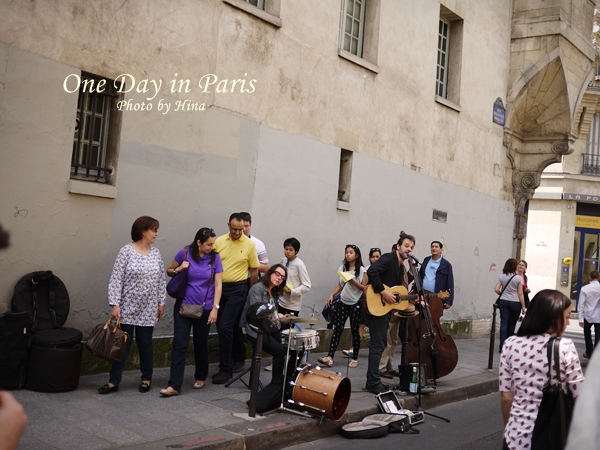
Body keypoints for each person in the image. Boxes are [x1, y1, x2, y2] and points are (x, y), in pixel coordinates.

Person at [499, 289, 584, 450]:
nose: (568, 323)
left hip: (516, 438)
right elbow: (580, 396)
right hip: (554, 437)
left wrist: (507, 427)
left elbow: (506, 397)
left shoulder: (510, 344)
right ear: (552, 318)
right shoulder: (564, 347)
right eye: (566, 317)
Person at [99, 216, 166, 394]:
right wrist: (115, 304)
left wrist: (161, 302)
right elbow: (116, 279)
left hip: (148, 307)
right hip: (127, 307)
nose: (156, 234)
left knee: (145, 343)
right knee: (122, 344)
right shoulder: (126, 252)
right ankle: (114, 381)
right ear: (143, 231)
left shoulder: (156, 253)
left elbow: (160, 280)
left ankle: (146, 379)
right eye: (154, 230)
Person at [160, 228, 223, 396]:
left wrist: (215, 309)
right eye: (208, 244)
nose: (211, 246)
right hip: (183, 306)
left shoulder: (215, 258)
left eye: (213, 243)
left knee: (200, 342)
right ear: (199, 242)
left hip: (206, 307)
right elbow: (169, 270)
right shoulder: (185, 253)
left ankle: (201, 376)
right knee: (179, 343)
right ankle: (174, 385)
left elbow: (218, 285)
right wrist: (179, 269)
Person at [365, 231, 415, 394]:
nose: (409, 249)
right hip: (376, 305)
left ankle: (373, 381)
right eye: (406, 246)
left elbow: (396, 291)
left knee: (379, 344)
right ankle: (373, 383)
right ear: (398, 246)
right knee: (377, 344)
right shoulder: (388, 258)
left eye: (412, 247)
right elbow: (372, 271)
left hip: (384, 309)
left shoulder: (400, 267)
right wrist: (383, 292)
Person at [213, 213, 259, 384]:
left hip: (238, 288)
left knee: (226, 325)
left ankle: (226, 368)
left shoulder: (249, 244)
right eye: (234, 229)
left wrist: (250, 291)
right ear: (228, 226)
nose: (238, 233)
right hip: (219, 288)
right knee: (222, 325)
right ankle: (233, 359)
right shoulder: (219, 241)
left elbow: (254, 270)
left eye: (241, 229)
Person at [240, 264, 293, 385]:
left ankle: (288, 379)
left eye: (283, 277)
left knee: (289, 346)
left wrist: (279, 316)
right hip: (254, 329)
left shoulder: (273, 292)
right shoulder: (257, 289)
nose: (279, 278)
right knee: (279, 351)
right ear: (270, 273)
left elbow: (270, 311)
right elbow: (256, 313)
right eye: (277, 274)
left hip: (267, 329)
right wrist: (275, 316)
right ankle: (277, 382)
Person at [232, 212, 270, 373]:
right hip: (234, 283)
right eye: (242, 226)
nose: (244, 229)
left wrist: (250, 263)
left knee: (252, 319)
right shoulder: (230, 242)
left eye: (247, 226)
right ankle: (237, 357)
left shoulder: (257, 244)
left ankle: (256, 355)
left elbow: (266, 267)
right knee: (233, 322)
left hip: (250, 283)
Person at [319, 245, 368, 369]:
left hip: (355, 303)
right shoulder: (343, 268)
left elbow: (364, 288)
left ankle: (355, 357)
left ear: (356, 255)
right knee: (338, 329)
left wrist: (352, 281)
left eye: (351, 252)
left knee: (355, 331)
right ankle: (330, 357)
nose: (348, 255)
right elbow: (340, 285)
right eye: (346, 252)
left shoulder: (361, 270)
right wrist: (332, 295)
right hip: (343, 301)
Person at [343, 247, 380, 358]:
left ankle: (377, 349)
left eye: (377, 256)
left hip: (378, 302)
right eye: (373, 257)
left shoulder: (383, 269)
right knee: (361, 324)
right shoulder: (366, 269)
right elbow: (364, 286)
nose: (375, 259)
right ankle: (354, 348)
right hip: (365, 300)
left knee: (376, 326)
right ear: (369, 258)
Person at [495, 258, 525, 353]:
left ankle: (502, 346)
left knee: (504, 323)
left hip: (504, 301)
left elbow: (496, 289)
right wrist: (523, 306)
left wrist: (502, 294)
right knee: (512, 324)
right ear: (514, 266)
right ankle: (509, 346)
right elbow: (520, 293)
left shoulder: (501, 276)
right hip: (515, 302)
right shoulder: (518, 278)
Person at [278, 237, 311, 317]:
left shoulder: (299, 264)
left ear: (296, 251)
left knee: (289, 329)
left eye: (291, 250)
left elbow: (307, 285)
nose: (288, 252)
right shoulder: (284, 261)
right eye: (286, 249)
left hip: (292, 306)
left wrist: (292, 291)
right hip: (281, 302)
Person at [420, 241, 454, 309]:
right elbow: (420, 276)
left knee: (434, 317)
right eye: (432, 246)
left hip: (437, 297)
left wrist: (449, 301)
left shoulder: (446, 264)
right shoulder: (426, 260)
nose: (434, 248)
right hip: (423, 296)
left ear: (441, 249)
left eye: (436, 247)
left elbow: (450, 283)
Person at [578, 270, 600, 359]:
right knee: (598, 336)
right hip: (598, 316)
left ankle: (589, 352)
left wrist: (580, 318)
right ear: (599, 278)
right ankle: (596, 354)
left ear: (590, 277)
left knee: (587, 333)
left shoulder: (585, 288)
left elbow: (581, 304)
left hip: (588, 315)